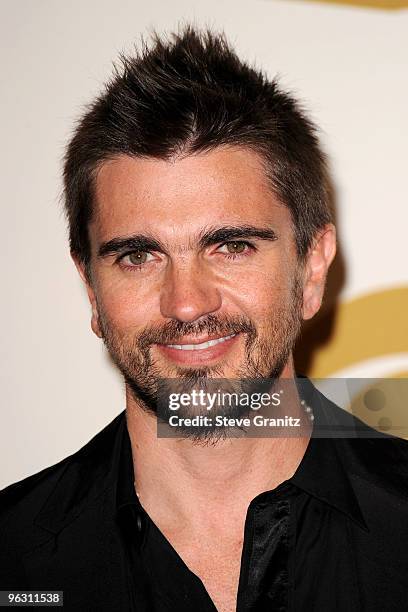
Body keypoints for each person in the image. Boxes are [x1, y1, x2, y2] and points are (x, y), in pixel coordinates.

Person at [1, 26, 407, 612]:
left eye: (232, 246)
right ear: (90, 287)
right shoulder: (13, 558)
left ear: (312, 268)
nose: (186, 304)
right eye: (138, 256)